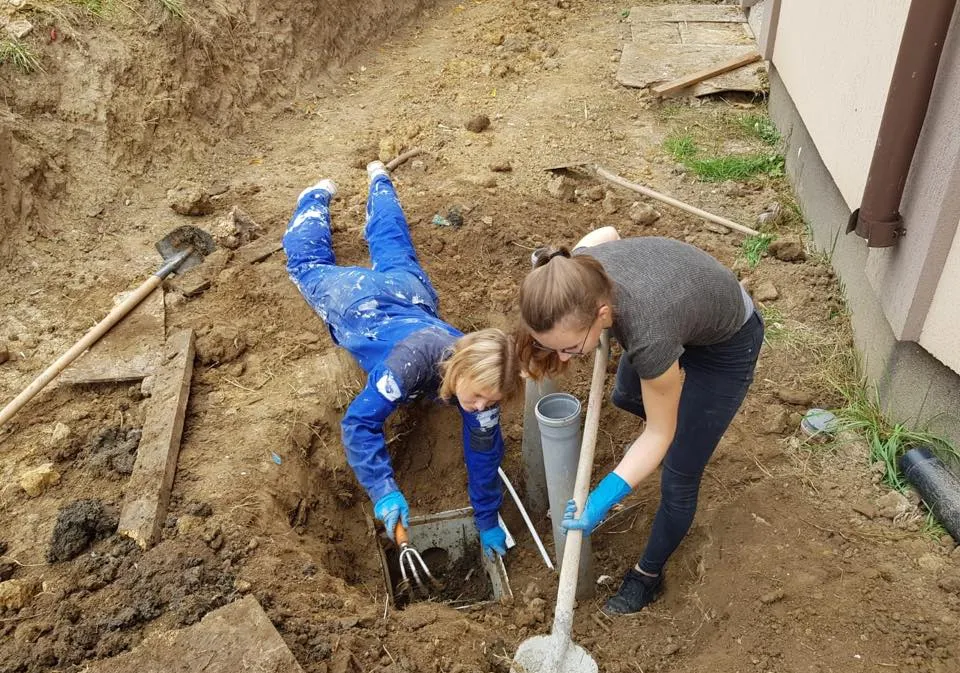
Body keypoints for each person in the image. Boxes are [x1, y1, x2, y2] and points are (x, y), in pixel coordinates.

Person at [516, 227, 763, 614]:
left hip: (726, 343)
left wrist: (600, 500)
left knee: (678, 475)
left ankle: (647, 575)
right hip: (681, 312)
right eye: (554, 348)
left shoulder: (649, 334)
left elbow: (659, 433)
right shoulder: (576, 268)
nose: (563, 358)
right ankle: (679, 432)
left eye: (570, 348)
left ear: (602, 313)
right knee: (624, 395)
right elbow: (609, 233)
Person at [282, 161, 520, 559]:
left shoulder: (484, 378)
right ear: (459, 368)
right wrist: (384, 490)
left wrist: (487, 519)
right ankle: (314, 198)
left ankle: (380, 179)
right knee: (306, 267)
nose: (480, 406)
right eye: (478, 396)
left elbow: (484, 453)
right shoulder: (407, 366)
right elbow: (359, 423)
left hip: (412, 296)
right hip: (362, 304)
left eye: (489, 401)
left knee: (393, 244)